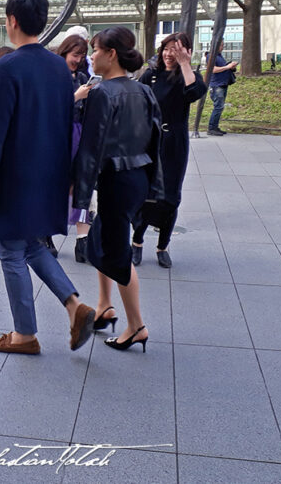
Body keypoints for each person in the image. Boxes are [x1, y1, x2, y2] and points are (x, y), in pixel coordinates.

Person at [0, 0, 95, 356]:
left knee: (10, 250)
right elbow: (64, 122)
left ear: (12, 21)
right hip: (49, 173)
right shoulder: (59, 67)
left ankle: (24, 334)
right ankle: (75, 305)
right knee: (30, 244)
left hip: (14, 175)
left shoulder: (8, 66)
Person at [73, 26, 163, 353]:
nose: (91, 56)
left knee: (116, 252)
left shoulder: (102, 93)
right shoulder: (143, 91)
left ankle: (137, 325)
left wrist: (79, 195)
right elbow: (156, 142)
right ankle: (104, 305)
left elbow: (90, 148)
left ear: (111, 54)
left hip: (114, 180)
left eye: (95, 50)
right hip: (137, 180)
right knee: (101, 241)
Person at [134, 32, 207, 269]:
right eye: (166, 49)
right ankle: (136, 242)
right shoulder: (151, 74)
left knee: (171, 196)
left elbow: (194, 93)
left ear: (186, 52)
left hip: (174, 142)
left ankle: (162, 246)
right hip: (150, 141)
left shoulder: (189, 76)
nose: (169, 55)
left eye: (176, 50)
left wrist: (185, 64)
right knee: (146, 195)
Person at [57, 34, 92, 262]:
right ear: (64, 52)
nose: (78, 60)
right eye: (75, 55)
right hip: (59, 135)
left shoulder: (82, 76)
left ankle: (82, 241)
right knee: (56, 184)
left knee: (81, 184)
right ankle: (45, 235)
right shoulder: (54, 76)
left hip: (80, 133)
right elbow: (51, 110)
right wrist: (76, 96)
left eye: (82, 56)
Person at [206, 40, 236, 136]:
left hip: (222, 84)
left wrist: (231, 67)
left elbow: (223, 67)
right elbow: (213, 69)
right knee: (218, 107)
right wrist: (228, 67)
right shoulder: (211, 56)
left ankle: (215, 126)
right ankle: (211, 128)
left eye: (223, 45)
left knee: (220, 107)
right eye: (221, 45)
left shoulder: (219, 56)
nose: (223, 47)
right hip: (216, 85)